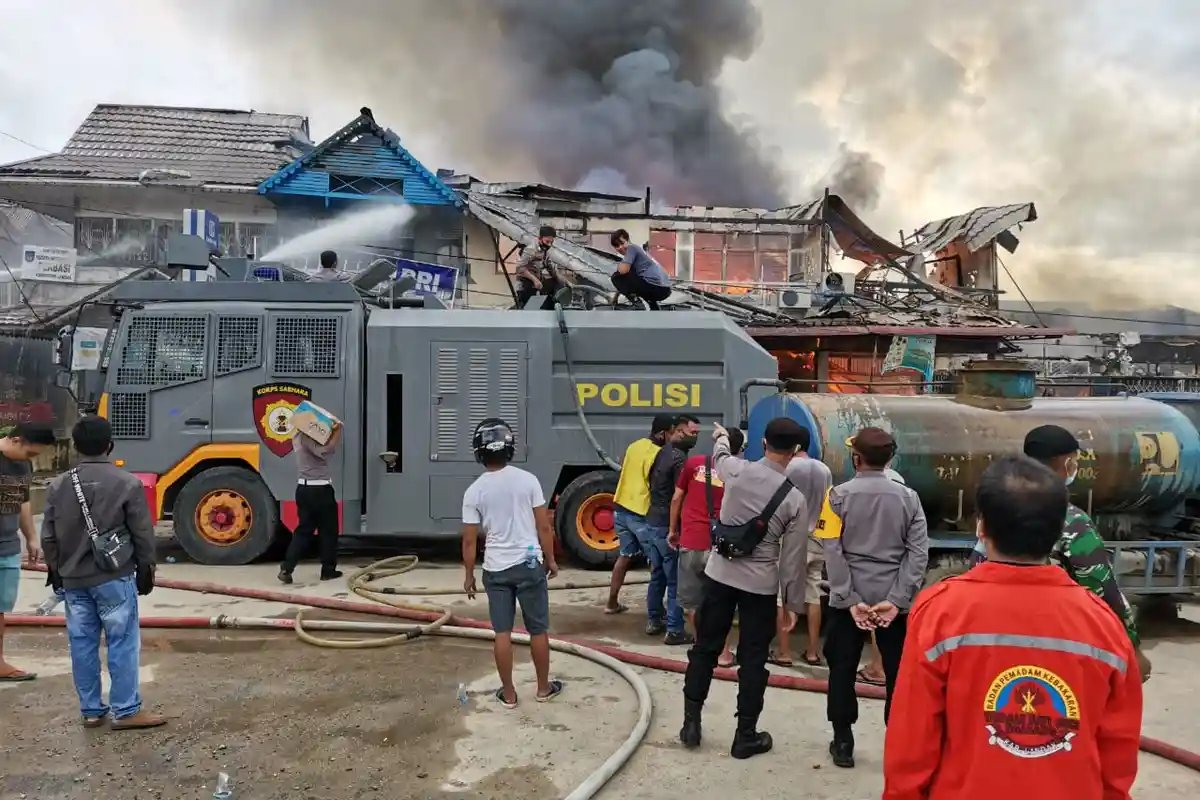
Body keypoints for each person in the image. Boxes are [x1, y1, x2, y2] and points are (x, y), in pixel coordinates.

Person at [883, 455, 1143, 800]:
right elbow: (1118, 752)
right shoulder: (1104, 625)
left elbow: (912, 737)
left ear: (981, 527)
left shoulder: (941, 613)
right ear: (1058, 532)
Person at [969, 424, 1151, 681]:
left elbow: (976, 563)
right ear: (1067, 464)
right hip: (1052, 641)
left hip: (991, 638)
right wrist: (1132, 647)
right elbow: (1101, 586)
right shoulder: (1071, 519)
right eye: (1074, 462)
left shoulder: (998, 509)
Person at [681, 418, 809, 759]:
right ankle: (745, 736)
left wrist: (722, 436)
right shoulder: (794, 499)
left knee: (705, 649)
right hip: (759, 588)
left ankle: (691, 723)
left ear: (764, 443)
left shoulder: (736, 470)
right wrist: (792, 604)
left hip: (719, 576)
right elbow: (792, 559)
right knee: (753, 660)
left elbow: (720, 455)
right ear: (795, 451)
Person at [41, 416, 166, 729]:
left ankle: (91, 710)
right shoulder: (127, 483)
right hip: (113, 576)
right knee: (122, 642)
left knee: (82, 644)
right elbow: (142, 532)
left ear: (75, 446)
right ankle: (126, 710)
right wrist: (146, 568)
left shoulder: (58, 485)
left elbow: (49, 536)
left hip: (73, 579)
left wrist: (56, 571)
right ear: (110, 445)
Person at [816, 426, 929, 768]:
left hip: (848, 602)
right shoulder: (909, 498)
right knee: (898, 673)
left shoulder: (836, 496)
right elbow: (918, 553)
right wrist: (896, 600)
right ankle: (897, 744)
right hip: (893, 604)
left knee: (841, 669)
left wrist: (850, 599)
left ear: (856, 459)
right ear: (889, 460)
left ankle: (843, 742)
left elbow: (832, 550)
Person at [461, 419, 563, 708]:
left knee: (502, 632)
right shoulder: (528, 480)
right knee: (538, 630)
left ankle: (509, 694)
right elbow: (544, 527)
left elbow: (469, 541)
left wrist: (469, 575)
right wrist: (551, 559)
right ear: (509, 448)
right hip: (529, 564)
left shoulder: (474, 491)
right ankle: (543, 689)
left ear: (479, 452)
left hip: (496, 569)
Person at [669, 427, 746, 668]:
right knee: (720, 604)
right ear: (738, 450)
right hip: (721, 546)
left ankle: (702, 646)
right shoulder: (741, 472)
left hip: (691, 542)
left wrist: (673, 530)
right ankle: (724, 654)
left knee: (693, 603)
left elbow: (676, 497)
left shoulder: (694, 464)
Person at [0, 421, 55, 682]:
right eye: (30, 452)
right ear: (16, 440)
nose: (30, 459)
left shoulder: (23, 465)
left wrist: (31, 537)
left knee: (0, 609)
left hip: (8, 546)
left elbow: (23, 501)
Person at [606, 413, 675, 615]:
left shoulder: (634, 445)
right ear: (662, 434)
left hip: (621, 509)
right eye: (672, 433)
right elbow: (657, 487)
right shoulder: (659, 454)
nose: (674, 437)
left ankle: (611, 603)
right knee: (657, 562)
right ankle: (656, 612)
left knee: (625, 556)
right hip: (641, 513)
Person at [640, 414, 700, 645]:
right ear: (679, 431)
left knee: (657, 575)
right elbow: (679, 496)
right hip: (666, 524)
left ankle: (654, 619)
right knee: (675, 579)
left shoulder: (662, 452)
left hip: (652, 520)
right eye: (692, 433)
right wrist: (676, 529)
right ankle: (675, 630)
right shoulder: (679, 459)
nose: (695, 437)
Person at [779, 430, 833, 668]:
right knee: (814, 594)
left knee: (782, 594)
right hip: (817, 537)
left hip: (791, 537)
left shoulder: (788, 468)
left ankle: (783, 652)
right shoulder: (824, 470)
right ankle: (812, 651)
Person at [278, 419, 343, 584]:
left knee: (303, 531)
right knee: (328, 531)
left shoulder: (297, 436)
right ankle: (328, 570)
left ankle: (287, 568)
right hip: (320, 489)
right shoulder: (308, 438)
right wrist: (337, 432)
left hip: (303, 489)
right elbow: (326, 451)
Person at [609, 229, 672, 310]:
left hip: (657, 288)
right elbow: (624, 282)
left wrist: (620, 266)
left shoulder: (632, 248)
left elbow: (622, 272)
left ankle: (639, 304)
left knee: (615, 277)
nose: (620, 247)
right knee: (632, 278)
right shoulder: (637, 253)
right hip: (664, 289)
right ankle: (653, 307)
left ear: (628, 240)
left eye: (622, 243)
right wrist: (615, 298)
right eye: (617, 246)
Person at [514, 226, 563, 310]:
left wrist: (564, 282)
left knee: (554, 285)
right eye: (547, 241)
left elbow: (552, 269)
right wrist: (535, 280)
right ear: (540, 239)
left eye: (551, 242)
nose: (549, 245)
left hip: (537, 284)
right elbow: (519, 268)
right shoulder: (531, 249)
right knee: (531, 310)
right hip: (526, 285)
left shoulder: (545, 252)